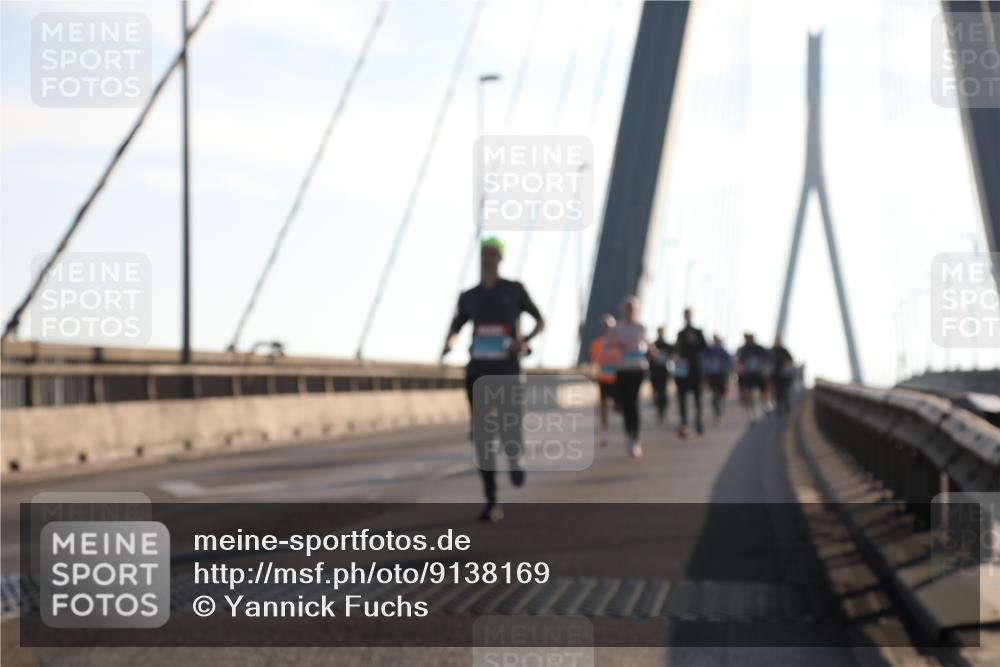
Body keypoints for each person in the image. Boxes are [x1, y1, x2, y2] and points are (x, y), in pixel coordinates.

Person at [443, 237, 545, 522]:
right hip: (478, 371)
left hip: (507, 370)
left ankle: (514, 456)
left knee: (508, 426)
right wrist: (450, 342)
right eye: (484, 253)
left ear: (500, 258)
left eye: (492, 254)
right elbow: (456, 325)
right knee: (482, 436)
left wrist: (522, 341)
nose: (487, 258)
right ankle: (491, 499)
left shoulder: (514, 290)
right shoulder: (470, 296)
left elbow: (541, 320)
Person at [605, 296, 651, 457]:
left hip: (637, 369)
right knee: (625, 404)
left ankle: (635, 438)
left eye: (633, 308)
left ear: (636, 310)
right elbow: (606, 345)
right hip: (622, 369)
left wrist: (651, 349)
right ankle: (629, 434)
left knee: (633, 401)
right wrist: (617, 345)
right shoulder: (617, 328)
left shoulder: (640, 326)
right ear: (624, 309)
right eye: (628, 307)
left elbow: (647, 343)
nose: (630, 310)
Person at [673, 307, 708, 437]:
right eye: (685, 314)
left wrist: (696, 341)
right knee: (681, 396)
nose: (687, 316)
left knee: (697, 397)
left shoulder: (698, 332)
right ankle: (684, 423)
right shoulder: (680, 333)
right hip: (683, 369)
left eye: (688, 314)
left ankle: (698, 420)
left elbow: (705, 347)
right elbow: (676, 349)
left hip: (695, 369)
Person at [588, 314, 620, 446]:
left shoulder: (619, 343)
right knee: (604, 406)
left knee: (620, 407)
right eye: (605, 326)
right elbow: (595, 362)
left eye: (610, 326)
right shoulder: (596, 343)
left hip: (618, 379)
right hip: (604, 379)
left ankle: (628, 428)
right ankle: (605, 433)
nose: (607, 329)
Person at [735, 332, 770, 424]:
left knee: (764, 390)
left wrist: (764, 369)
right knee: (749, 396)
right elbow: (738, 362)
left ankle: (765, 404)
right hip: (748, 376)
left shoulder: (759, 349)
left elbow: (766, 360)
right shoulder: (742, 349)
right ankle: (752, 415)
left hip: (757, 374)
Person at [702, 335, 733, 423]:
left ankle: (718, 410)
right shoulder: (710, 351)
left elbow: (729, 362)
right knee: (716, 394)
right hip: (714, 376)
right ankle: (718, 412)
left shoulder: (721, 351)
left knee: (720, 395)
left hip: (720, 376)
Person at [648, 326, 673, 423]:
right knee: (656, 391)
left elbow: (673, 355)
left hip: (664, 372)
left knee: (663, 392)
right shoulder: (653, 345)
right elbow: (648, 357)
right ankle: (659, 410)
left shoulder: (667, 345)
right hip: (654, 372)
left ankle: (662, 411)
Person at [770, 335, 795, 416]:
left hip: (784, 375)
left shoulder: (783, 350)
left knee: (783, 391)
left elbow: (790, 360)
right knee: (778, 392)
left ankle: (785, 406)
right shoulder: (773, 350)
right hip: (776, 375)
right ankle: (780, 408)